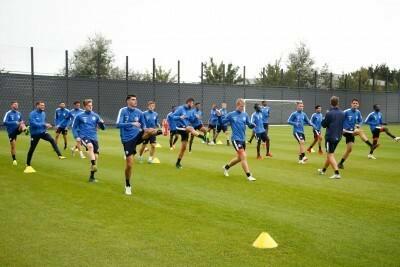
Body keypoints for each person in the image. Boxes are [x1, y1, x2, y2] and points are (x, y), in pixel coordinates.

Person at [116, 95, 162, 195]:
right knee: (129, 165)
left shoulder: (139, 112)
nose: (135, 101)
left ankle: (161, 132)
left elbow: (144, 127)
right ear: (127, 101)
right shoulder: (123, 111)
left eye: (136, 99)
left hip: (138, 135)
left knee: (150, 130)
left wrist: (153, 131)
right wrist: (132, 123)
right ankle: (127, 184)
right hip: (127, 139)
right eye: (133, 99)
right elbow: (118, 124)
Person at [24, 101, 66, 173]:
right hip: (35, 134)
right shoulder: (32, 114)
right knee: (32, 149)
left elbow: (43, 123)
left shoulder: (43, 113)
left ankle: (59, 155)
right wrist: (44, 124)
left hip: (43, 132)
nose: (43, 106)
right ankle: (28, 165)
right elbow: (33, 123)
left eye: (43, 105)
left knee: (52, 140)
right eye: (41, 105)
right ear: (37, 106)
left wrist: (46, 127)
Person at [221, 98, 256, 181]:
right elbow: (223, 122)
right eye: (241, 106)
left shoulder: (245, 115)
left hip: (243, 139)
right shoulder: (231, 115)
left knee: (239, 158)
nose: (242, 108)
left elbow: (249, 124)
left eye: (243, 106)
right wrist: (219, 117)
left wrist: (252, 125)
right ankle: (249, 175)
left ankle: (226, 167)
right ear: (237, 105)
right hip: (235, 139)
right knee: (243, 156)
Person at [338, 99, 377, 169]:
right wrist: (341, 129)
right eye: (354, 103)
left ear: (358, 105)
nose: (355, 104)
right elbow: (339, 120)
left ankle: (340, 163)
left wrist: (359, 124)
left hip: (351, 132)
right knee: (359, 131)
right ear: (351, 104)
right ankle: (371, 145)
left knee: (349, 150)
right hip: (345, 131)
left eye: (356, 103)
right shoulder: (346, 112)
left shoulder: (358, 112)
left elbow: (361, 120)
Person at [72, 99, 105, 182]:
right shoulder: (79, 116)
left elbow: (103, 128)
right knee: (90, 146)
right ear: (84, 106)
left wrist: (101, 123)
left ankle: (91, 177)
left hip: (94, 137)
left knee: (95, 157)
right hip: (84, 136)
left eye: (91, 105)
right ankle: (93, 164)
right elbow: (74, 127)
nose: (90, 107)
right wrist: (76, 136)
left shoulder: (96, 115)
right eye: (88, 105)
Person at [172, 98, 206, 169]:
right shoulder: (180, 108)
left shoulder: (190, 111)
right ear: (188, 102)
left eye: (193, 103)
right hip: (179, 128)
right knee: (190, 128)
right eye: (191, 103)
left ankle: (178, 163)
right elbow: (173, 117)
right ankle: (202, 137)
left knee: (184, 148)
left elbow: (191, 119)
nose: (192, 104)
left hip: (185, 128)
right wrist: (180, 117)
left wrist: (196, 118)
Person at [318, 96, 345, 179]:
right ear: (338, 103)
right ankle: (323, 170)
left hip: (330, 137)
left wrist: (325, 115)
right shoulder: (342, 113)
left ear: (330, 103)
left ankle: (337, 173)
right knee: (330, 154)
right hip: (338, 137)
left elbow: (323, 125)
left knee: (330, 155)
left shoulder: (329, 113)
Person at [3, 101, 28, 166]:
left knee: (22, 124)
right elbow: (4, 122)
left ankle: (26, 131)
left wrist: (22, 122)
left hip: (18, 129)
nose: (16, 105)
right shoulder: (8, 113)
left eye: (17, 104)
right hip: (11, 132)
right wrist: (15, 122)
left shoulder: (19, 113)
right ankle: (14, 160)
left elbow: (21, 121)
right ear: (11, 106)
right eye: (15, 104)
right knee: (13, 146)